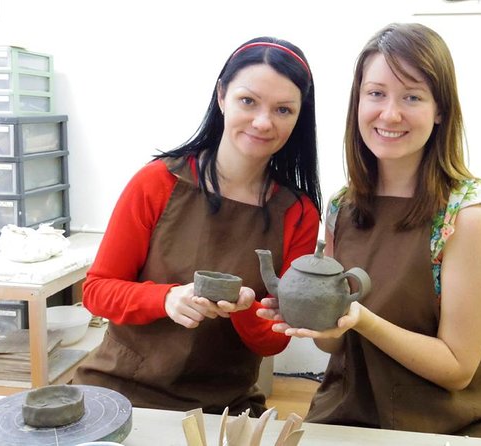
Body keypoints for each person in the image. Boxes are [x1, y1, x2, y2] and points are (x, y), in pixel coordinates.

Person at [258, 23, 481, 439]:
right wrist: (316, 322)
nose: (390, 113)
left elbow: (457, 369)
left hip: (449, 424)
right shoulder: (341, 207)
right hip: (352, 412)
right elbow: (333, 345)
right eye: (376, 93)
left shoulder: (467, 215)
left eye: (412, 97)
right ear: (358, 101)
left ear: (440, 110)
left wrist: (362, 320)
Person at [73, 36, 321, 416]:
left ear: (299, 116)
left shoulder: (299, 212)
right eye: (248, 101)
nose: (262, 122)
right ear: (221, 96)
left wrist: (245, 308)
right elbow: (97, 290)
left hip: (223, 406)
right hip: (122, 388)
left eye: (283, 110)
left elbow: (274, 342)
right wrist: (166, 299)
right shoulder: (156, 182)